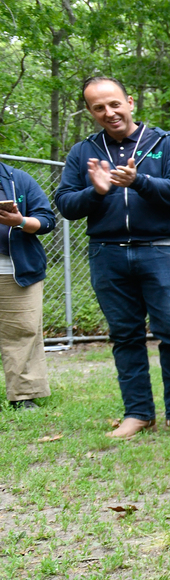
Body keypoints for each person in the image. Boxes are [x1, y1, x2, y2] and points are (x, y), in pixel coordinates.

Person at [56, 77, 170, 440]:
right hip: (107, 255)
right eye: (98, 108)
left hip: (161, 251)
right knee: (125, 336)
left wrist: (140, 182)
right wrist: (96, 191)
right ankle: (138, 413)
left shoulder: (163, 144)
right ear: (91, 112)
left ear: (130, 102)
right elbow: (65, 204)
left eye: (114, 104)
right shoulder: (83, 152)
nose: (109, 113)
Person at [0, 161, 55, 409]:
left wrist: (19, 221)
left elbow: (46, 220)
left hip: (15, 269)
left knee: (22, 330)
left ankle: (23, 395)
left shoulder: (17, 179)